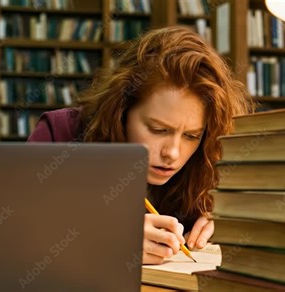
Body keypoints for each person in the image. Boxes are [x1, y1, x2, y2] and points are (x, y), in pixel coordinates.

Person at [27, 26, 252, 264]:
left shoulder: (210, 158)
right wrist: (102, 240)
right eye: (158, 130)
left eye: (191, 136)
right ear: (122, 110)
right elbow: (11, 232)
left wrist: (230, 223)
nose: (172, 153)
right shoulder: (60, 134)